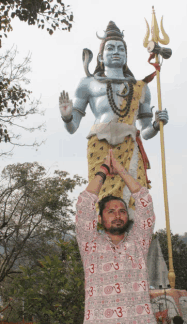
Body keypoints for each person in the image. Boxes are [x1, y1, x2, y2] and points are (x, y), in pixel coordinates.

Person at [59, 21, 169, 216]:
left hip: (129, 145)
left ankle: (134, 239)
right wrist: (67, 117)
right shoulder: (88, 84)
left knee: (135, 196)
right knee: (102, 197)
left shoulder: (140, 87)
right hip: (100, 146)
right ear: (101, 55)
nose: (116, 52)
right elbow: (72, 127)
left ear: (126, 55)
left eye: (121, 48)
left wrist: (156, 124)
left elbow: (145, 131)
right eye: (110, 48)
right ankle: (104, 239)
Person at [75, 149, 158, 324]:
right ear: (99, 218)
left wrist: (121, 170)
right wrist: (104, 169)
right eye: (110, 212)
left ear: (128, 217)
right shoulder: (90, 246)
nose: (117, 215)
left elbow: (145, 202)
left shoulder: (138, 243)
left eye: (122, 211)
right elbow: (84, 203)